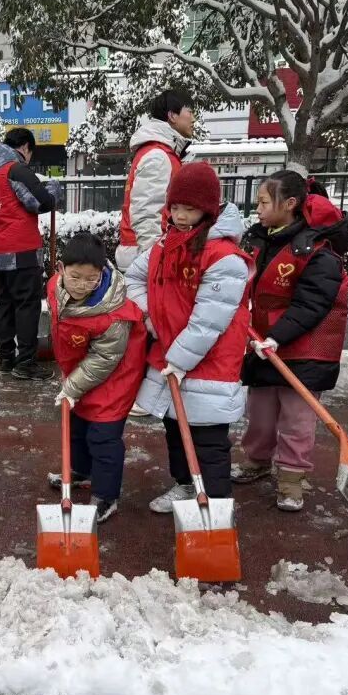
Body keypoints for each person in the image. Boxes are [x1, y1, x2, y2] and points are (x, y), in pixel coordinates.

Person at [124, 162, 251, 513]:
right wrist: (150, 317)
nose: (180, 216)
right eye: (175, 207)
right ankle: (184, 486)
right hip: (169, 357)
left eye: (189, 209)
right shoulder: (164, 245)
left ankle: (216, 506)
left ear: (208, 210)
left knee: (208, 440)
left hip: (209, 363)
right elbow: (133, 278)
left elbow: (208, 322)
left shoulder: (224, 258)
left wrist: (179, 360)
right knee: (175, 430)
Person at [233, 172, 348, 512]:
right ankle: (257, 460)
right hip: (263, 343)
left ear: (289, 204)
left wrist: (277, 336)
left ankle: (291, 477)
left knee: (297, 418)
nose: (257, 209)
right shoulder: (261, 240)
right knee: (260, 412)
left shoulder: (317, 251)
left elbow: (313, 302)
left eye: (263, 202)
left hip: (305, 348)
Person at [45, 233, 147, 523]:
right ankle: (81, 471)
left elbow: (104, 359)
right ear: (61, 269)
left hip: (116, 377)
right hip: (81, 370)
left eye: (91, 279)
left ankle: (106, 496)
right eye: (75, 277)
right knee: (76, 425)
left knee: (103, 436)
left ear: (102, 273)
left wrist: (71, 386)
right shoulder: (55, 288)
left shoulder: (113, 315)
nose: (82, 285)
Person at [0, 127, 61, 380]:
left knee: (5, 304)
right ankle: (25, 363)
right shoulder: (16, 169)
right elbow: (41, 202)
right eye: (30, 153)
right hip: (22, 250)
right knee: (26, 305)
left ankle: (6, 358)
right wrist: (54, 191)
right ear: (25, 147)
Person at [115, 89, 195, 272]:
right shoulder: (158, 155)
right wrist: (155, 260)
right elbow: (146, 212)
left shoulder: (160, 152)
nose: (193, 119)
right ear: (172, 116)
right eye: (190, 112)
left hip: (145, 251)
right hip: (147, 254)